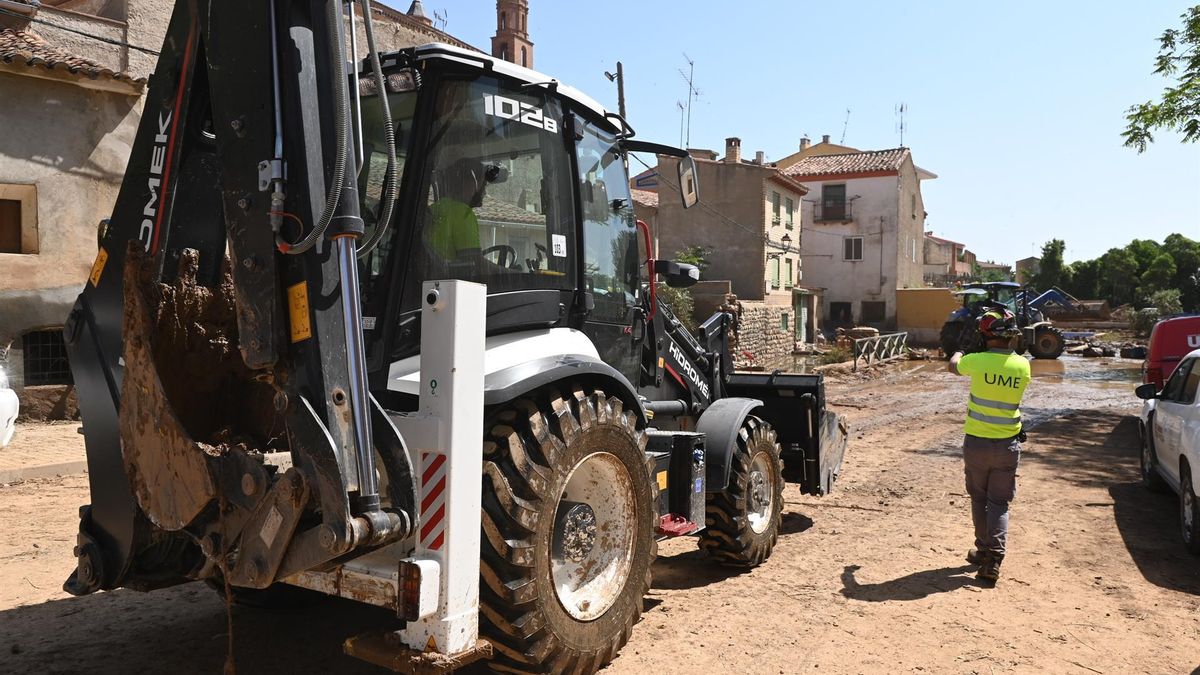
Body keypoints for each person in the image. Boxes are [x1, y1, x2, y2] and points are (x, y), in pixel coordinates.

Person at [948, 309, 1030, 586]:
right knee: (999, 503)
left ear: (986, 336)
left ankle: (984, 549)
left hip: (977, 444)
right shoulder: (1024, 366)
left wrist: (961, 350)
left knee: (979, 499)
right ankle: (992, 558)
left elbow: (953, 366)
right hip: (1008, 444)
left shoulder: (977, 361)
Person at [427, 158, 485, 261]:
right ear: (470, 183)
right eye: (483, 185)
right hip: (444, 276)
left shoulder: (435, 207)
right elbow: (475, 264)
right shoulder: (463, 213)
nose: (484, 192)